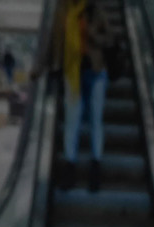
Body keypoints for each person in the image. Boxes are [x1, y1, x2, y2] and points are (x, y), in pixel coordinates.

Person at [61, 0, 109, 192]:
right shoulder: (64, 11)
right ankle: (70, 171)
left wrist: (91, 34)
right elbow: (53, 40)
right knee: (72, 121)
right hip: (73, 73)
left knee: (96, 121)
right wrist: (39, 68)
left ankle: (96, 171)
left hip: (96, 73)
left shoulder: (96, 10)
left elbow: (109, 39)